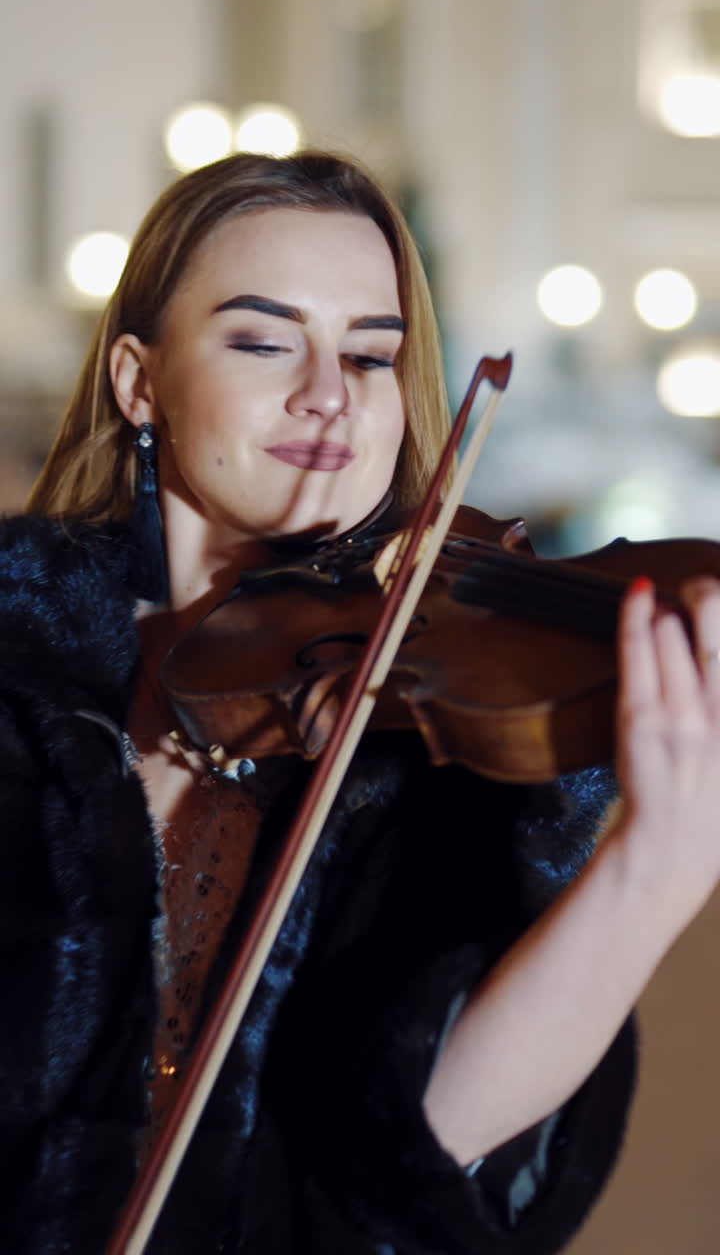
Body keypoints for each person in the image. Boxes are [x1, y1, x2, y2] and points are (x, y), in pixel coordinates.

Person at [1, 149, 718, 1254]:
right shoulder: (20, 662)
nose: (329, 394)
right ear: (140, 382)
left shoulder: (448, 744)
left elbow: (411, 1157)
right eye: (263, 341)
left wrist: (656, 867)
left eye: (371, 354)